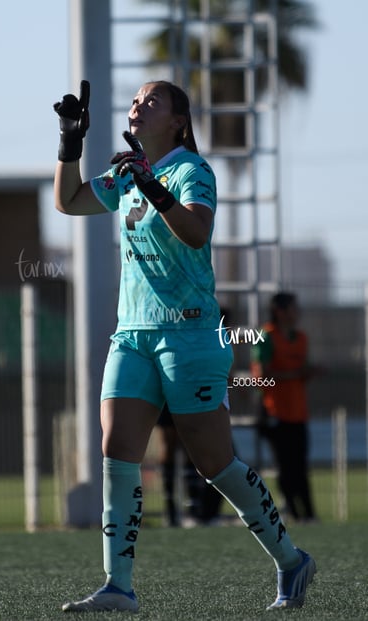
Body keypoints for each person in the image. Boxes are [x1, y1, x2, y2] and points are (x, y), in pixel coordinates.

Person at [53, 79, 316, 613]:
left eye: (153, 100)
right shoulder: (126, 173)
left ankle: (291, 560)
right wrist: (69, 143)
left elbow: (195, 233)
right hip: (132, 336)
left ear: (178, 121)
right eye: (135, 99)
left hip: (192, 335)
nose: (137, 105)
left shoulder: (192, 171)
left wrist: (153, 187)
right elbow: (70, 201)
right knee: (116, 451)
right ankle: (118, 586)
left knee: (214, 464)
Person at [251, 292, 319, 523]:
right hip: (274, 411)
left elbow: (302, 372)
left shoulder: (301, 337)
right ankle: (293, 511)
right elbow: (262, 376)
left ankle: (309, 514)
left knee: (300, 465)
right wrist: (293, 374)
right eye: (293, 307)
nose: (297, 312)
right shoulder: (266, 336)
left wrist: (308, 373)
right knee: (285, 465)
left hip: (298, 411)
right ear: (280, 311)